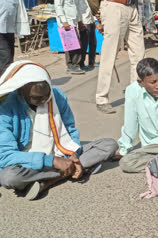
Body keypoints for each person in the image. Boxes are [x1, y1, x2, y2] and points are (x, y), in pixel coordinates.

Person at [0, 61, 119, 200]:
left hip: (60, 151)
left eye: (46, 95)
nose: (44, 100)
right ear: (21, 90)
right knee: (9, 177)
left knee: (109, 145)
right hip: (28, 160)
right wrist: (51, 161)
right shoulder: (6, 109)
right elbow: (6, 155)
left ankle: (50, 179)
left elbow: (69, 129)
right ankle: (65, 172)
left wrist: (72, 155)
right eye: (36, 98)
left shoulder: (56, 96)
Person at [95, 0, 145, 114]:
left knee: (139, 55)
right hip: (114, 6)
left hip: (132, 7)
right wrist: (97, 12)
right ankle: (101, 99)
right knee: (109, 55)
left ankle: (135, 94)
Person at [55, 0, 88, 75]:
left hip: (73, 22)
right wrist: (64, 21)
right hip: (66, 23)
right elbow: (58, 6)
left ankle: (75, 65)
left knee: (74, 45)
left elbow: (77, 7)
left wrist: (79, 21)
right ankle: (72, 66)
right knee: (72, 45)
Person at [0, 0, 30, 76]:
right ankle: (6, 84)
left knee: (10, 56)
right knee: (6, 58)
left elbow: (20, 13)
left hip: (9, 30)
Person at [79, 0, 98, 71]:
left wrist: (94, 21)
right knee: (84, 44)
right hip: (84, 22)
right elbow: (78, 10)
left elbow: (91, 10)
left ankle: (91, 62)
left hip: (91, 21)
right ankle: (81, 63)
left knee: (93, 43)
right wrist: (80, 22)